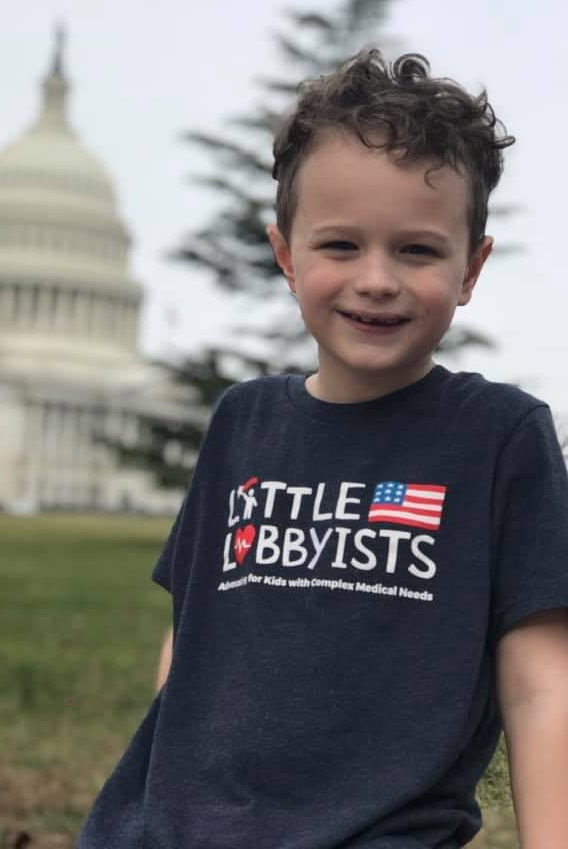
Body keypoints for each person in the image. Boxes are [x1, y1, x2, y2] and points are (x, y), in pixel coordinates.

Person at [76, 51, 568, 849]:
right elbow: (196, 635)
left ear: (472, 267)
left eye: (416, 250)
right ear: (286, 255)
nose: (376, 279)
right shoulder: (242, 422)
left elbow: (542, 686)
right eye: (340, 245)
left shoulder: (500, 437)